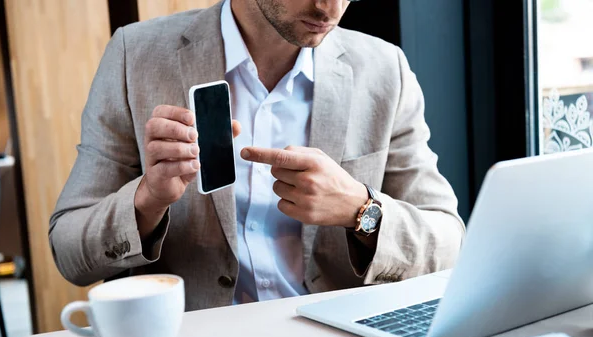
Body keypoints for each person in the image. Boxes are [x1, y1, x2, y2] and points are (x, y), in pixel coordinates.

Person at [49, 0, 465, 311]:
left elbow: (449, 241)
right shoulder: (134, 57)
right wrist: (146, 201)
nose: (329, 8)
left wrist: (361, 208)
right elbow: (69, 252)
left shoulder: (384, 69)